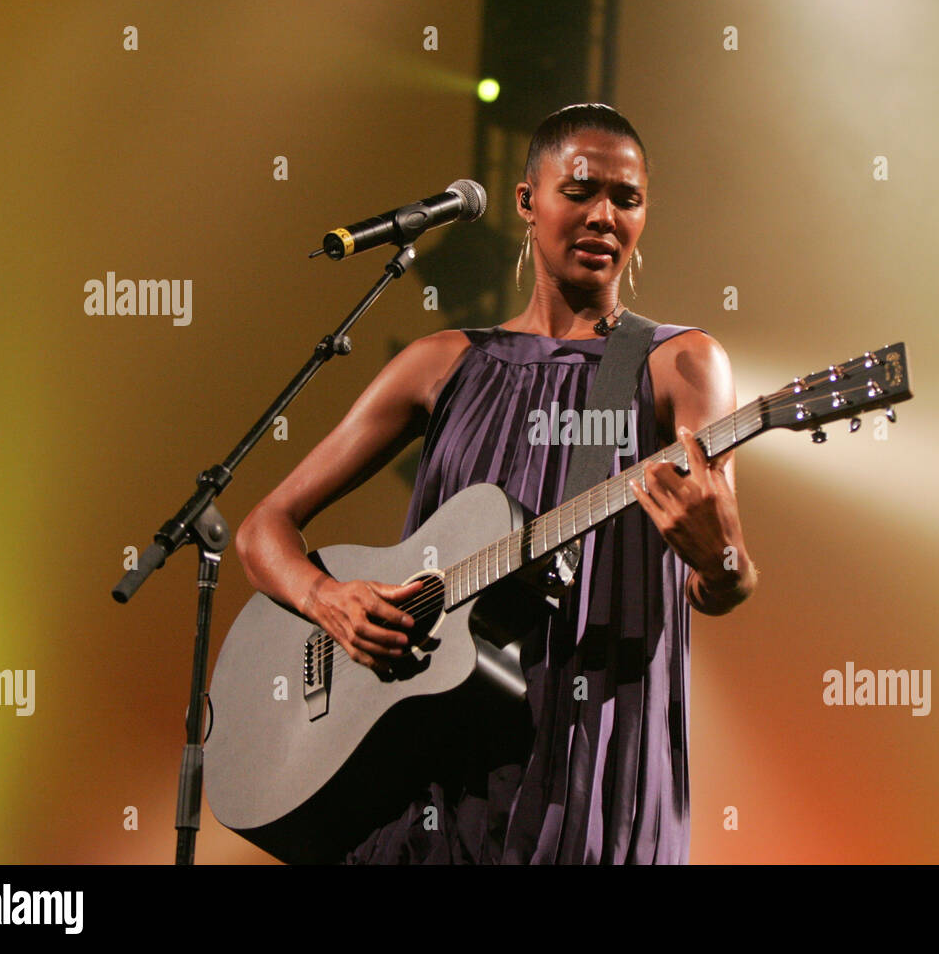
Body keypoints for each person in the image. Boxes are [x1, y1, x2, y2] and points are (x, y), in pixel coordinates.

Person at [234, 103, 757, 864]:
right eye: (579, 191)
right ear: (526, 202)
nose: (604, 215)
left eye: (627, 198)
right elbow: (262, 530)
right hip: (426, 764)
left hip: (589, 770)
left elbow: (724, 585)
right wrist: (330, 600)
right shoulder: (442, 362)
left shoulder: (680, 364)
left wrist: (721, 557)